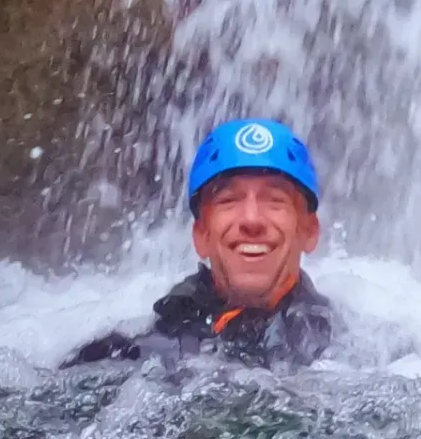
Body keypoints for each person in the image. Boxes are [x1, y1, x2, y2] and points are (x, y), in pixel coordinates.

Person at [65, 119, 334, 369]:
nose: (251, 219)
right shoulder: (131, 352)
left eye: (275, 200)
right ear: (201, 234)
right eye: (228, 200)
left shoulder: (335, 353)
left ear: (309, 231)